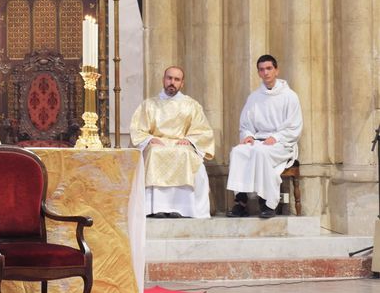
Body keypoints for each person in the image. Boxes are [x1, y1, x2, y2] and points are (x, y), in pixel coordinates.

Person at [129, 66, 214, 218]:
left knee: (184, 153)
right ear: (163, 79)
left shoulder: (191, 105)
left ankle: (181, 207)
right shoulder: (149, 105)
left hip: (182, 144)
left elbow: (202, 131)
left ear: (182, 83)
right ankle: (155, 208)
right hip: (156, 144)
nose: (172, 82)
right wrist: (149, 139)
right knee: (155, 152)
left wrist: (189, 140)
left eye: (177, 79)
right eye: (169, 78)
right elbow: (137, 130)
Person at [226, 55, 303, 219]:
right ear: (258, 73)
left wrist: (276, 137)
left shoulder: (290, 96)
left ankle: (268, 202)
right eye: (262, 69)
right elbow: (246, 124)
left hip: (282, 143)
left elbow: (294, 126)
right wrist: (247, 135)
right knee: (238, 152)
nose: (266, 72)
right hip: (259, 141)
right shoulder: (254, 97)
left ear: (276, 70)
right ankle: (241, 201)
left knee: (261, 153)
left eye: (269, 68)